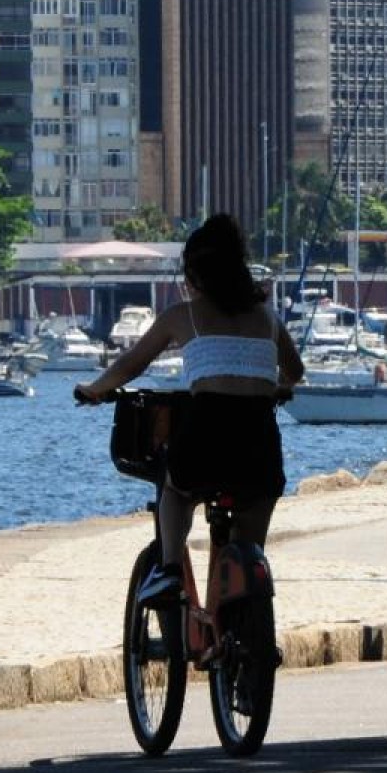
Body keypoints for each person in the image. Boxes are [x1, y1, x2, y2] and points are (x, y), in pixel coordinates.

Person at [75, 214, 304, 597]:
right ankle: (250, 598)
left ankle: (167, 569)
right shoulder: (267, 319)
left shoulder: (182, 316)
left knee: (176, 491)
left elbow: (132, 363)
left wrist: (95, 388)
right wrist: (276, 386)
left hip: (206, 434)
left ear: (194, 276)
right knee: (255, 512)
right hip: (259, 439)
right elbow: (294, 371)